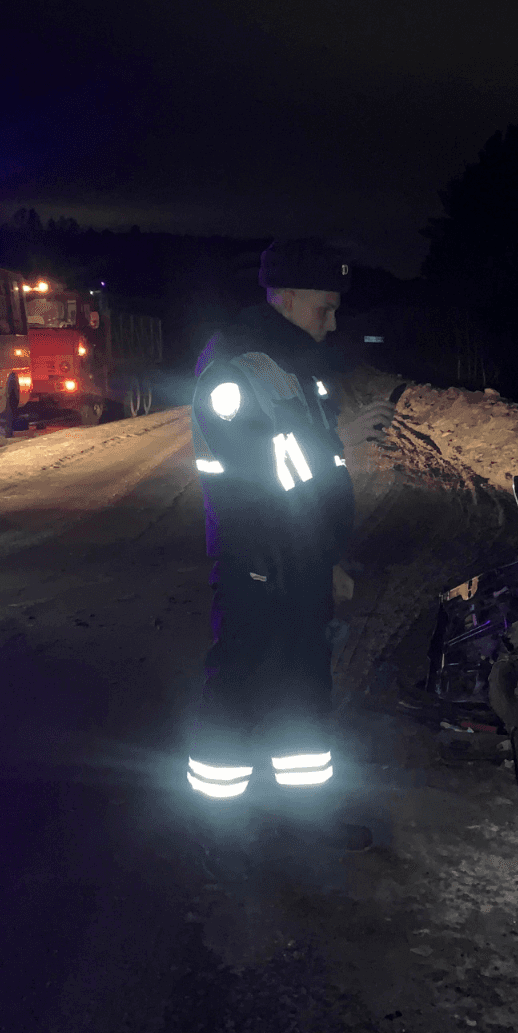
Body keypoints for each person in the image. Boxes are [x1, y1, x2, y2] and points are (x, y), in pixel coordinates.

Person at [185, 238, 393, 864]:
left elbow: (308, 479)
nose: (332, 323)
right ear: (289, 297)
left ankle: (307, 823)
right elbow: (259, 477)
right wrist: (342, 438)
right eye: (324, 308)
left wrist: (326, 557)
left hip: (298, 559)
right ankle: (221, 832)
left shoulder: (294, 365)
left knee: (302, 687)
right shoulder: (235, 370)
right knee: (243, 684)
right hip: (258, 561)